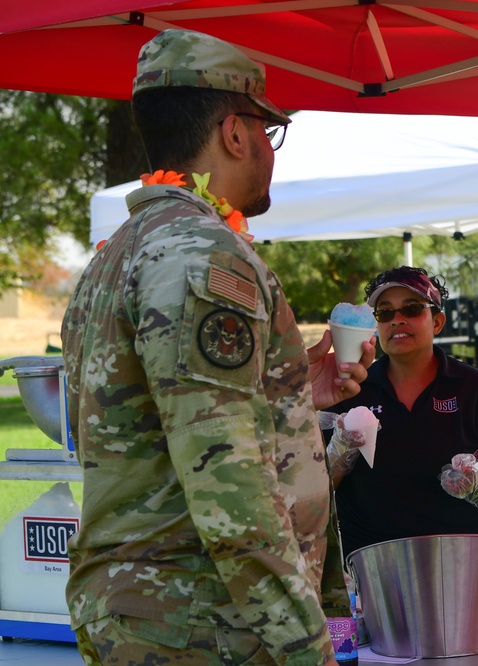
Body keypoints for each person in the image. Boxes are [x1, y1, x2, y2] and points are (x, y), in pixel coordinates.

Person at [60, 29, 373, 665]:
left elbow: (147, 425)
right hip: (203, 621)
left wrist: (286, 398)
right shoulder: (202, 253)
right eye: (267, 131)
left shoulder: (119, 252)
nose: (268, 149)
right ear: (235, 132)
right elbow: (227, 482)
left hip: (157, 612)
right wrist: (307, 647)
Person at [326, 266, 478, 558]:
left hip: (469, 553)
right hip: (375, 558)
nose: (397, 320)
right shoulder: (352, 388)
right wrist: (338, 454)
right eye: (385, 313)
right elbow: (320, 483)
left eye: (411, 309)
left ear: (437, 321)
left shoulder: (474, 386)